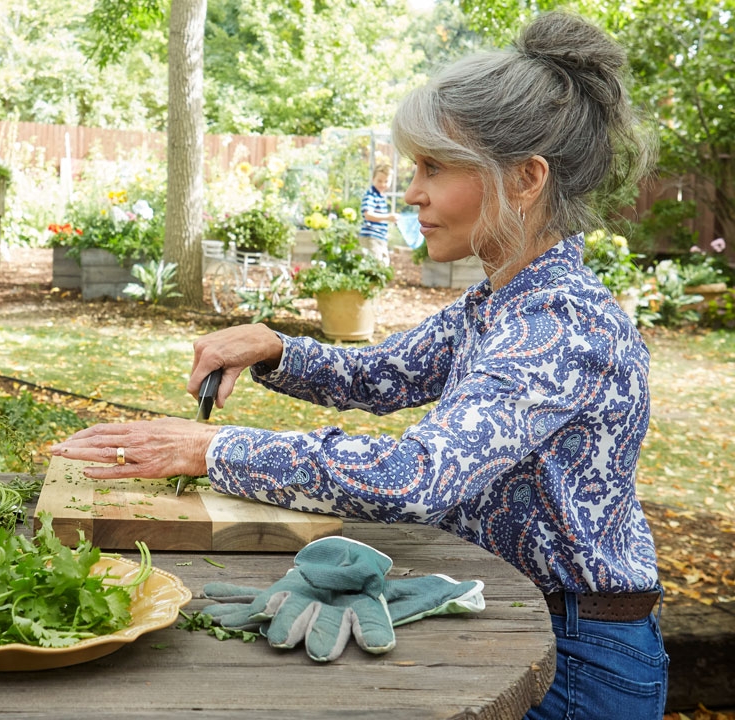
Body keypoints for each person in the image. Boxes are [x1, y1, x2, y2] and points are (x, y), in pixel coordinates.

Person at [51, 12, 665, 719]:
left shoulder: (560, 324)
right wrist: (274, 348)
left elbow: (417, 477)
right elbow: (382, 376)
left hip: (579, 656)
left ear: (525, 178)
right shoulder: (502, 302)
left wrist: (212, 447)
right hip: (514, 615)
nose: (411, 193)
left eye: (434, 167)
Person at [359, 159, 399, 264]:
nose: (383, 184)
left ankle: (379, 280)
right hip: (371, 236)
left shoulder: (381, 196)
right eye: (379, 181)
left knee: (384, 263)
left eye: (386, 181)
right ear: (373, 179)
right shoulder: (371, 195)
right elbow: (368, 214)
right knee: (375, 264)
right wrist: (387, 217)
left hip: (380, 237)